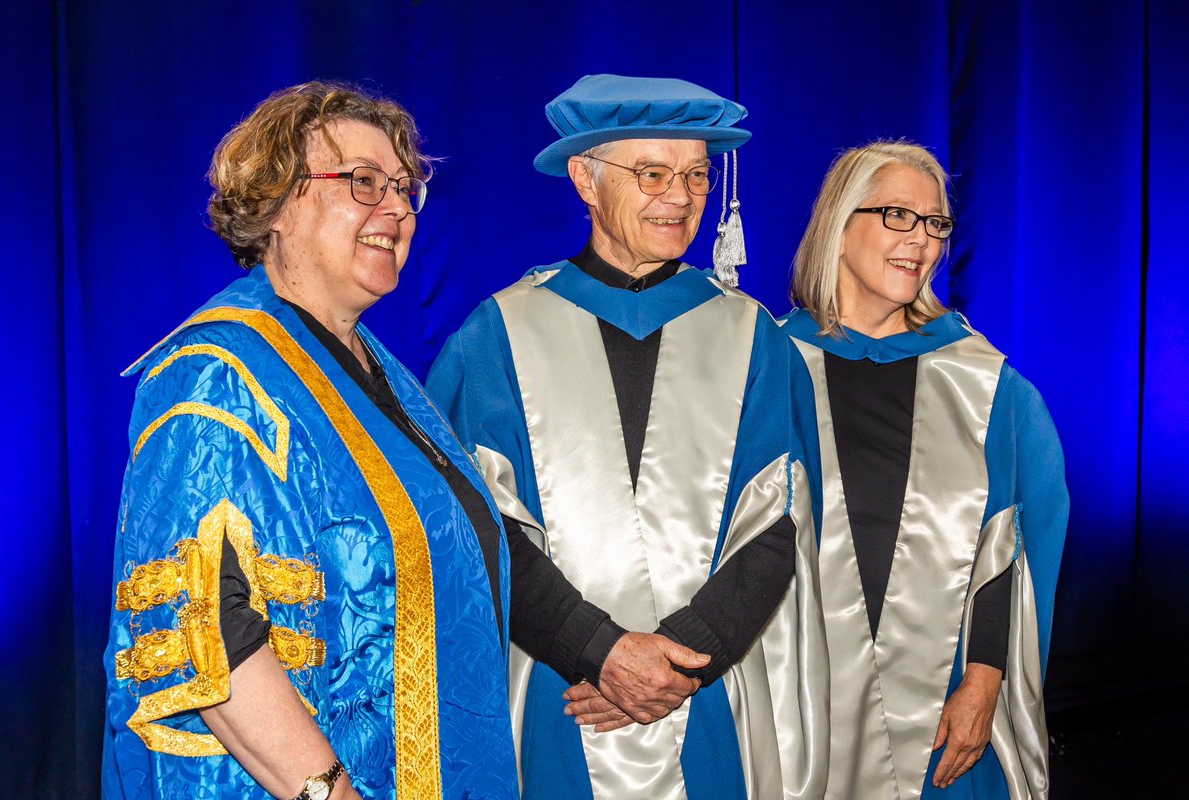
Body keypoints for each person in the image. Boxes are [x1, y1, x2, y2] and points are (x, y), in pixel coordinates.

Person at [103, 82, 518, 799]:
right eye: (363, 183)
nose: (397, 209)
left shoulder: (380, 376)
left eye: (403, 187)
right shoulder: (214, 375)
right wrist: (330, 792)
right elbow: (206, 630)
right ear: (278, 201)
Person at [426, 74, 828, 799]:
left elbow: (781, 527)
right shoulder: (497, 337)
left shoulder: (753, 339)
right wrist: (598, 651)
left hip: (709, 694)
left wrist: (674, 669)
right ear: (584, 178)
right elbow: (474, 531)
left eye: (698, 175)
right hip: (557, 688)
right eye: (652, 173)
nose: (680, 198)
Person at [780, 140, 1067, 799]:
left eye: (935, 223)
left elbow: (1006, 541)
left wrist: (986, 677)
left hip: (940, 700)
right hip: (800, 701)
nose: (921, 240)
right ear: (838, 224)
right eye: (898, 216)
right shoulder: (770, 364)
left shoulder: (980, 381)